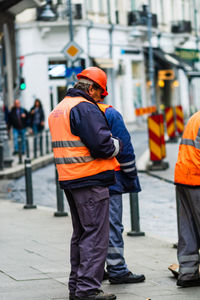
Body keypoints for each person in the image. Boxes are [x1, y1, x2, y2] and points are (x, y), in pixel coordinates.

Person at [48, 67, 121, 300]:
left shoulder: (59, 109)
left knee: (81, 234)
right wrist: (116, 144)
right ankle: (88, 290)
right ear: (92, 88)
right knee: (95, 236)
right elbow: (102, 146)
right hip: (89, 179)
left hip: (70, 178)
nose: (100, 100)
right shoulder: (85, 107)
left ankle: (77, 288)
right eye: (100, 94)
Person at [97, 101, 145, 284]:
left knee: (91, 229)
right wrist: (131, 174)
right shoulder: (109, 113)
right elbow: (124, 148)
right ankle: (117, 269)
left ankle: (95, 269)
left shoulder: (75, 113)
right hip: (111, 179)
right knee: (113, 226)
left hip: (83, 180)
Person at [174, 110, 200, 287]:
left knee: (187, 228)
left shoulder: (196, 117)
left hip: (184, 177)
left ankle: (188, 273)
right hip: (197, 178)